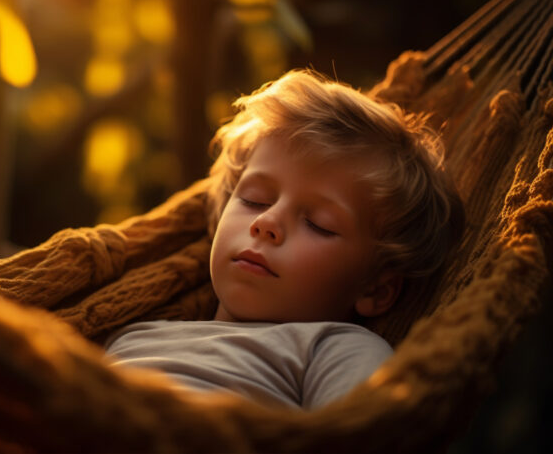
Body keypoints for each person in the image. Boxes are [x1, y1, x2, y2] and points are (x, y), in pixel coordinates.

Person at [104, 70, 465, 409]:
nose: (266, 222)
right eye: (254, 200)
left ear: (375, 289)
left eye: (319, 224)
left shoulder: (336, 350)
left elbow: (359, 434)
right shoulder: (133, 336)